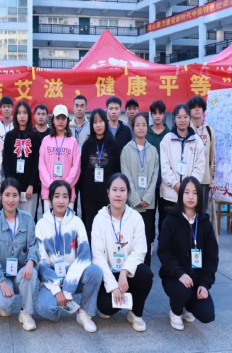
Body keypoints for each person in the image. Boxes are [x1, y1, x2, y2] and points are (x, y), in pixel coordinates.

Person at [35, 180, 103, 332]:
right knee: (45, 309)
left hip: (75, 278)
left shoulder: (77, 222)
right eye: (57, 196)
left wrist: (67, 288)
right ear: (50, 198)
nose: (61, 201)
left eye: (65, 196)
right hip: (52, 279)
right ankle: (57, 308)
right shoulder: (41, 225)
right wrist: (56, 290)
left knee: (95, 271)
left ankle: (84, 313)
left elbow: (84, 256)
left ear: (70, 199)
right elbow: (42, 263)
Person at [91, 173, 153, 331]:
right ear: (108, 192)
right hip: (109, 275)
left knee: (145, 273)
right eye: (114, 190)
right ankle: (119, 299)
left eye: (122, 190)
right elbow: (98, 257)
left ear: (128, 193)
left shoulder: (136, 218)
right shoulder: (99, 219)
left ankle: (135, 314)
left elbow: (140, 250)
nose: (118, 194)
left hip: (128, 274)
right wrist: (113, 286)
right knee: (105, 307)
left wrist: (124, 272)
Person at [158, 176, 218, 330]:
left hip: (196, 280)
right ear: (181, 195)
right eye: (186, 192)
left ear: (200, 196)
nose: (191, 197)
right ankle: (176, 310)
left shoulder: (205, 223)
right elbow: (164, 253)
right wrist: (179, 273)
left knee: (207, 315)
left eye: (195, 193)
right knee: (182, 291)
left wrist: (205, 284)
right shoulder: (170, 221)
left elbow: (212, 258)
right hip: (175, 277)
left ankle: (187, 306)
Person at [0, 178, 39, 331]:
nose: (11, 200)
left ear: (19, 197)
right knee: (3, 303)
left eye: (15, 195)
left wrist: (30, 263)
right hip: (2, 274)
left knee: (31, 273)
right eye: (7, 195)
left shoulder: (27, 219)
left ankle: (26, 312)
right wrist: (1, 282)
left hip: (21, 272)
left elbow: (34, 245)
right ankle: (5, 301)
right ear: (1, 196)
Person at [159, 104, 205, 232]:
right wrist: (175, 184)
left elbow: (199, 167)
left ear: (189, 118)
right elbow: (165, 167)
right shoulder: (166, 140)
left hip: (190, 196)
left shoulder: (197, 141)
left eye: (185, 117)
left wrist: (187, 187)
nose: (182, 120)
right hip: (169, 195)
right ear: (174, 119)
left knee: (187, 231)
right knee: (168, 230)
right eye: (179, 117)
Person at [121, 113, 159, 267]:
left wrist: (147, 198)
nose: (141, 128)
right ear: (133, 127)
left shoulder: (153, 150)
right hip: (132, 204)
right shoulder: (126, 150)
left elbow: (155, 176)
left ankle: (146, 270)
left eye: (144, 125)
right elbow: (126, 176)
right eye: (138, 125)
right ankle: (131, 269)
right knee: (132, 240)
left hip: (148, 204)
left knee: (147, 238)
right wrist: (135, 198)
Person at [79, 108, 120, 240]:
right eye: (95, 122)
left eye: (101, 121)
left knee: (107, 231)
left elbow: (117, 171)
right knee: (91, 229)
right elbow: (82, 170)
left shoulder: (113, 145)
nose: (98, 125)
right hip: (89, 196)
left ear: (106, 123)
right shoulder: (87, 145)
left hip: (107, 195)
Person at [39, 105, 80, 213]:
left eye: (63, 118)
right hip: (49, 191)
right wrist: (51, 185)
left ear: (67, 120)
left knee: (67, 222)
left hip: (68, 192)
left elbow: (76, 167)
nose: (60, 121)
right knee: (49, 221)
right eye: (58, 118)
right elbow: (41, 166)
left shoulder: (73, 141)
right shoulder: (46, 140)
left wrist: (65, 185)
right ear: (53, 120)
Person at [3, 101, 40, 217]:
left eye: (25, 113)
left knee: (28, 219)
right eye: (19, 113)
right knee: (12, 219)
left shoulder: (35, 136)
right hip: (13, 188)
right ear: (15, 115)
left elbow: (37, 162)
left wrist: (32, 184)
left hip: (30, 188)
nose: (22, 116)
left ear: (29, 115)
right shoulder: (10, 136)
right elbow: (6, 162)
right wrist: (10, 185)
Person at [146, 100, 170, 238]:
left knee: (165, 215)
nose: (157, 116)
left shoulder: (169, 134)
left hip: (165, 183)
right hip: (148, 183)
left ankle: (163, 242)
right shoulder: (146, 133)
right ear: (151, 115)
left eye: (160, 113)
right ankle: (149, 242)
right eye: (154, 113)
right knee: (149, 215)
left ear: (164, 115)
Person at [188, 96, 216, 214]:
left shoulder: (209, 130)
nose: (197, 109)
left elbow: (212, 156)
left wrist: (211, 180)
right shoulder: (186, 129)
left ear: (203, 110)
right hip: (189, 178)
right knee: (188, 211)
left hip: (204, 179)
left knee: (202, 212)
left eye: (199, 107)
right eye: (194, 107)